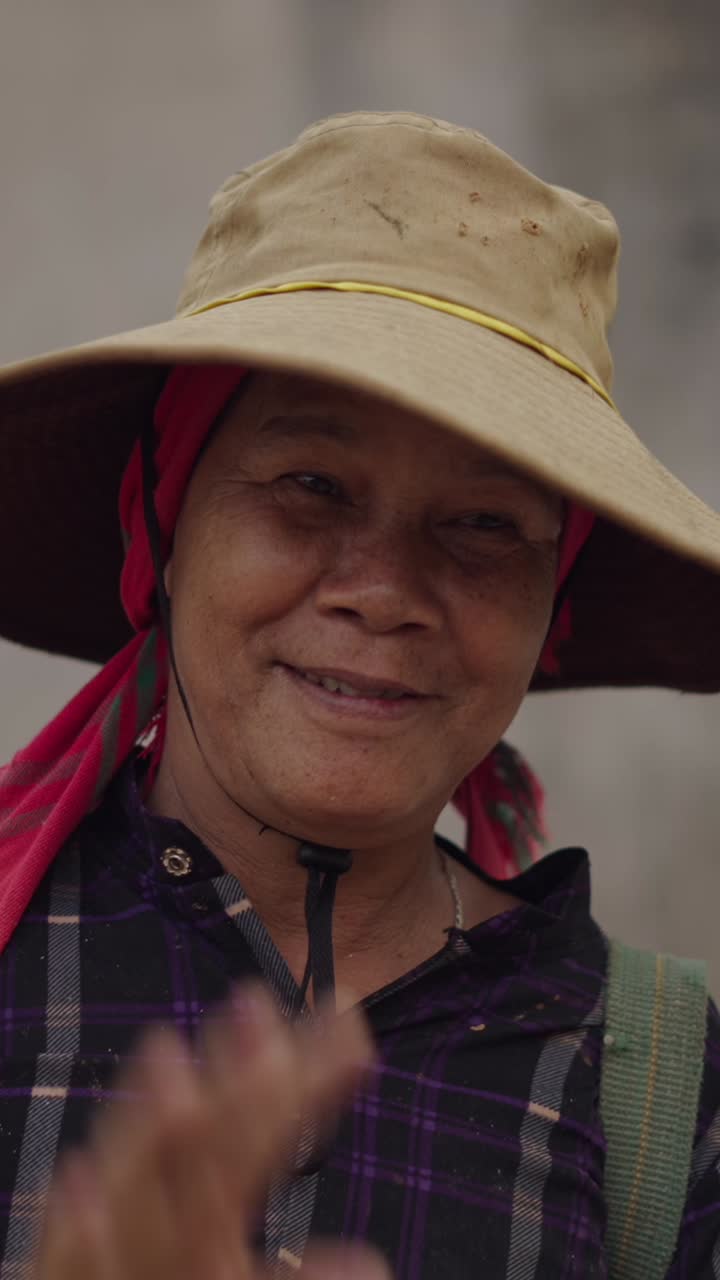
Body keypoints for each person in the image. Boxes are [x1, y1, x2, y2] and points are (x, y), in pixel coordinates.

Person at [0, 110, 719, 1279]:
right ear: (167, 523)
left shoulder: (660, 1096)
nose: (385, 593)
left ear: (552, 604)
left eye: (484, 525)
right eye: (311, 484)